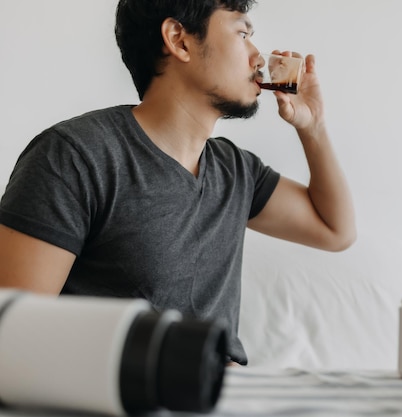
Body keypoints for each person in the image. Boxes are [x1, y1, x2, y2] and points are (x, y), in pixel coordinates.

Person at [0, 0, 355, 365]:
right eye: (242, 33)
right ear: (179, 40)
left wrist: (313, 128)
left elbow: (335, 230)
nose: (258, 58)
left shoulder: (235, 171)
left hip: (226, 396)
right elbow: (12, 335)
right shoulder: (75, 156)